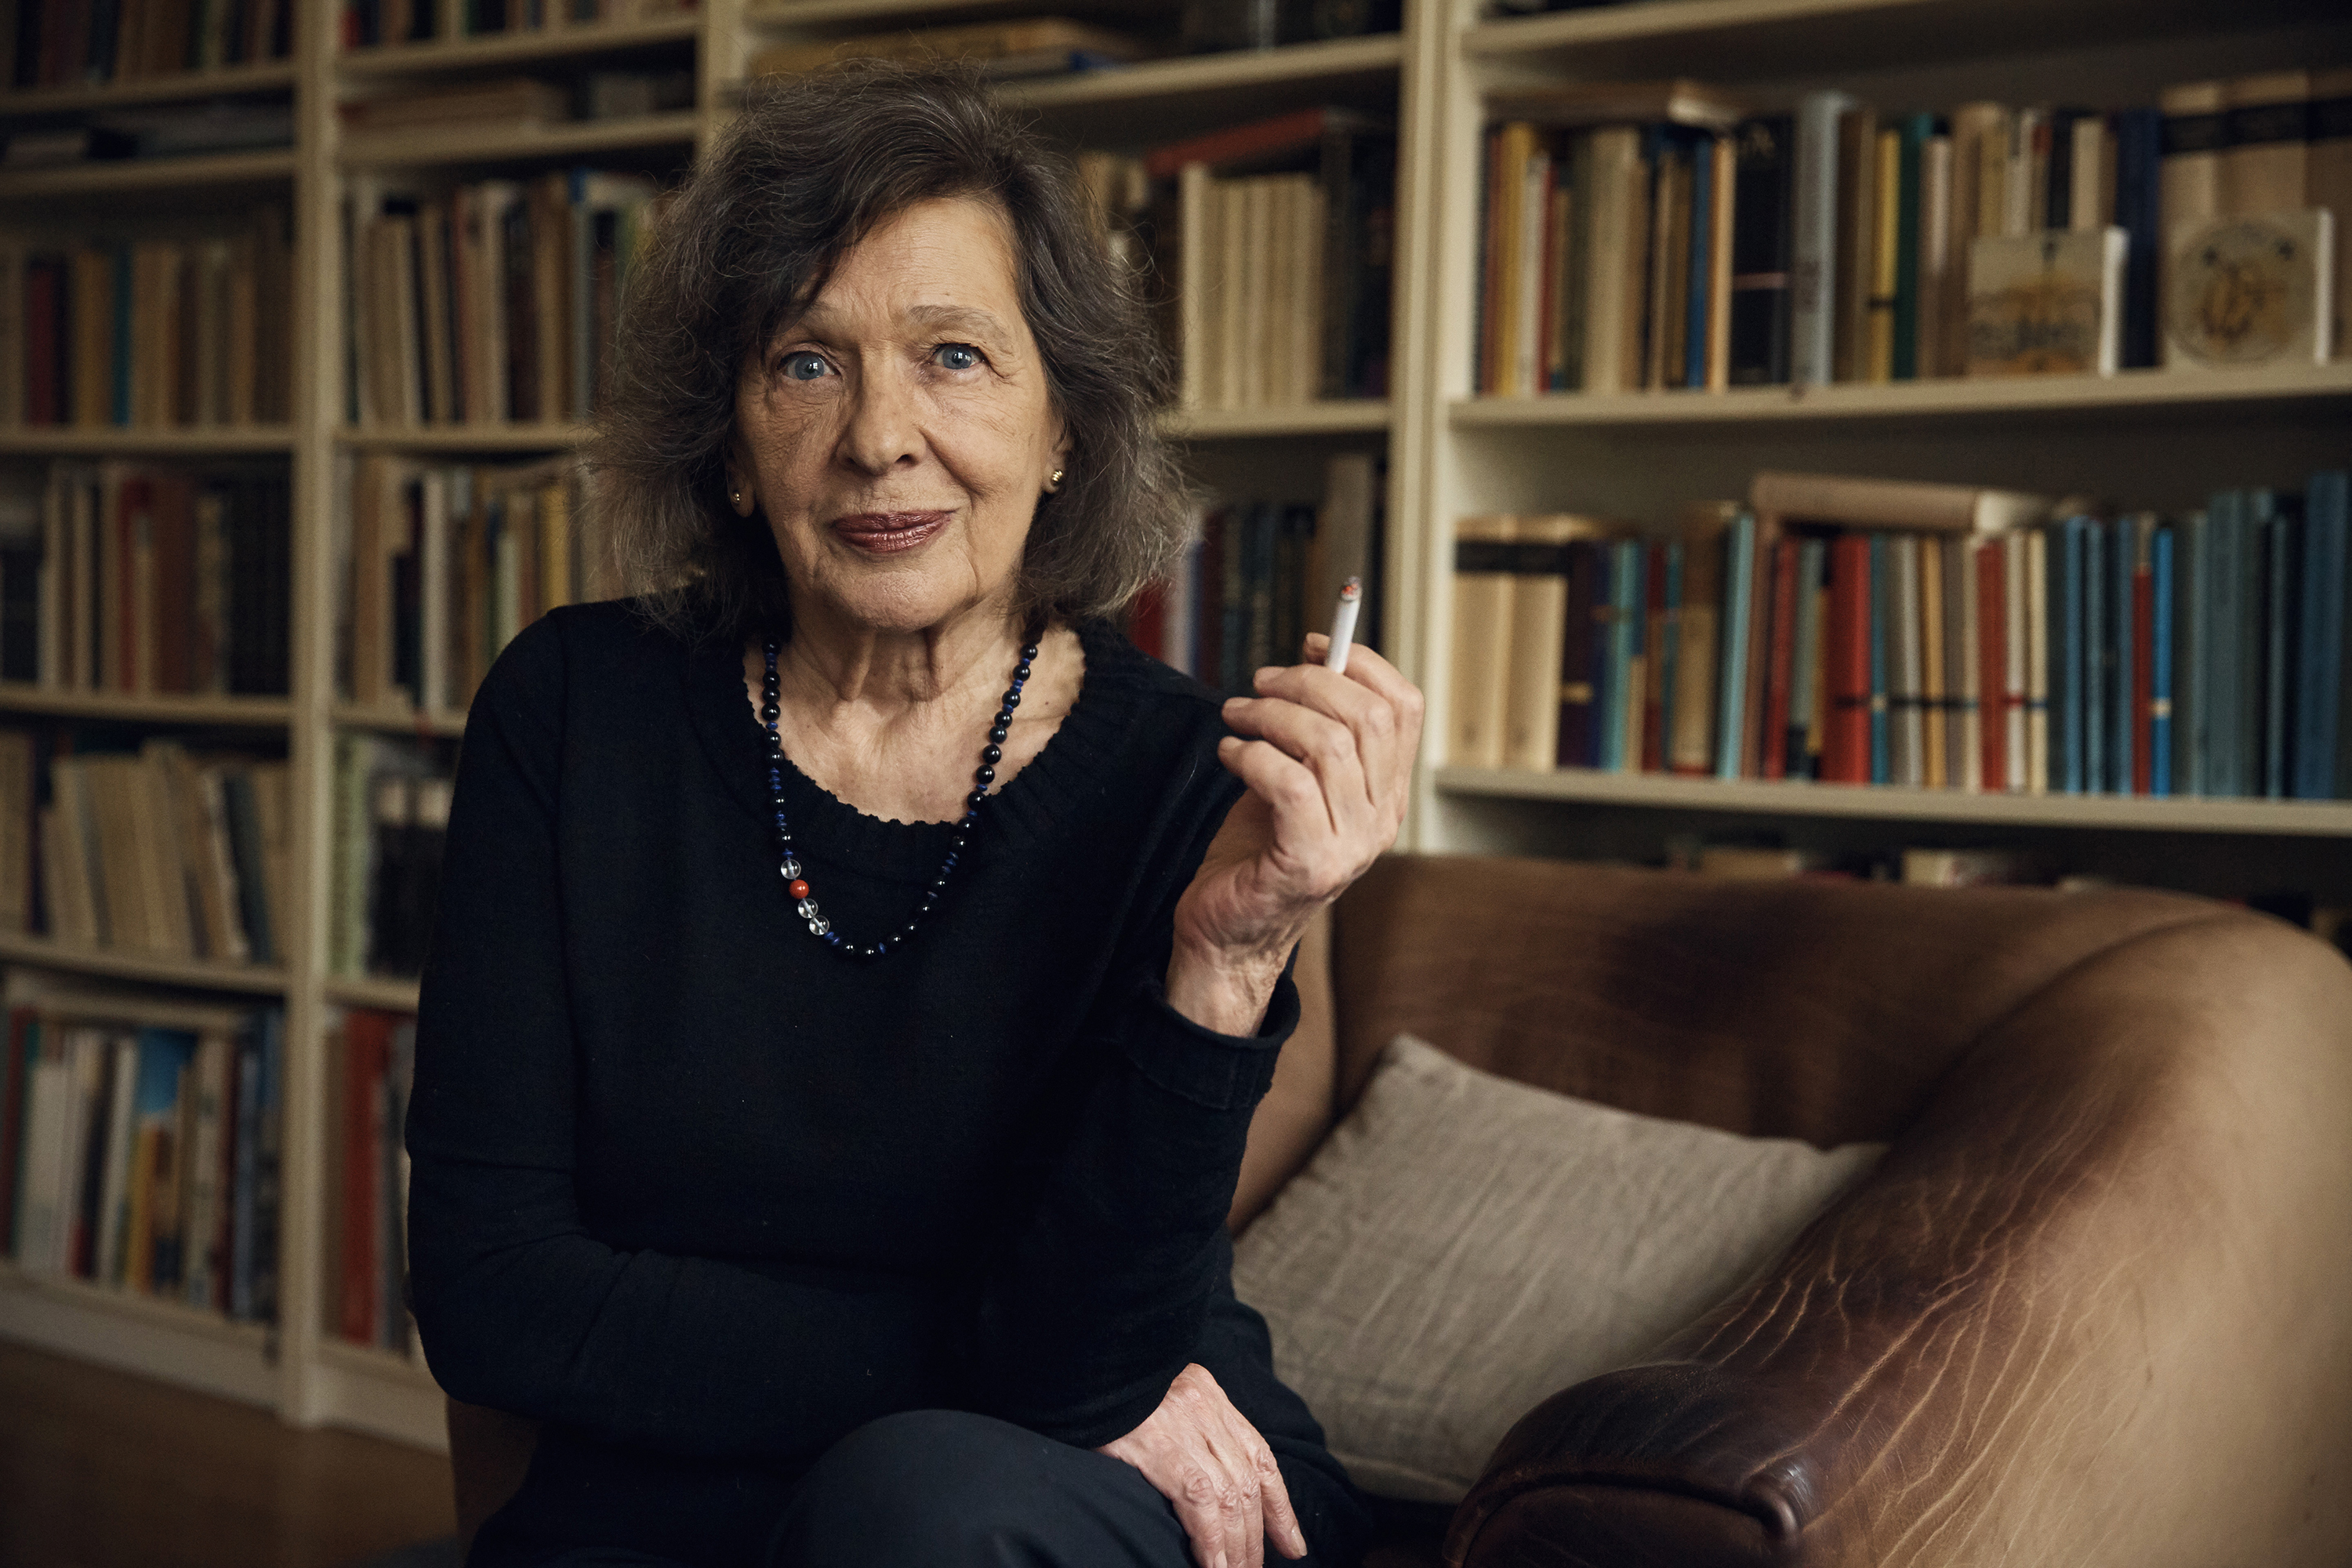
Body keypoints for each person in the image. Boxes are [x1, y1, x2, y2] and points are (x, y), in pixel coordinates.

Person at [405, 60, 1422, 1568]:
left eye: (955, 356)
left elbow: (1099, 1349)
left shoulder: (1182, 781)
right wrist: (993, 1368)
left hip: (1082, 1492)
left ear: (1065, 426)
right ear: (731, 444)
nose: (880, 435)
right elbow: (489, 1293)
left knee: (922, 1510)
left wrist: (1229, 958)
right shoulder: (574, 712)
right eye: (808, 364)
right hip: (804, 1475)